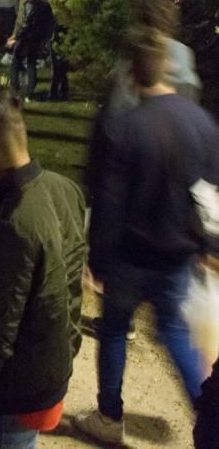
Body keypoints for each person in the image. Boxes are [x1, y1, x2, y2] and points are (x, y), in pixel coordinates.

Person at [75, 27, 218, 446]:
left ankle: (109, 415)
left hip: (130, 255)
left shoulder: (127, 126)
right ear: (170, 73)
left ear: (133, 75)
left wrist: (98, 259)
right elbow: (211, 193)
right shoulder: (203, 122)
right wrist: (208, 245)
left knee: (115, 330)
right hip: (178, 253)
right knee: (173, 331)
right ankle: (208, 409)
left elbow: (110, 200)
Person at [0, 84, 87, 448]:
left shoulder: (10, 224)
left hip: (10, 394)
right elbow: (68, 280)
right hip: (48, 372)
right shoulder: (63, 189)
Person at [6, 0, 54, 101]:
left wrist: (16, 38)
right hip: (24, 36)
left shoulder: (41, 6)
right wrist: (14, 35)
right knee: (23, 63)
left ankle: (22, 90)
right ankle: (24, 90)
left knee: (21, 63)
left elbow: (32, 24)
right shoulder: (23, 2)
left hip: (31, 38)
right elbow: (19, 21)